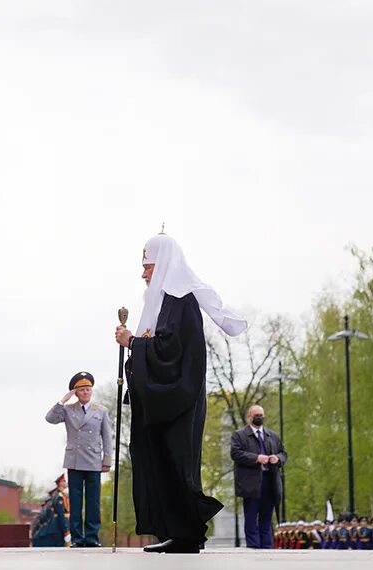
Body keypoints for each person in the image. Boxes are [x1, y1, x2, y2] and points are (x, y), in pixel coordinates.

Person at [113, 233, 247, 554]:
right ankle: (176, 531)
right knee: (160, 460)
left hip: (178, 400)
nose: (143, 274)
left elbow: (169, 350)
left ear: (163, 266)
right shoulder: (163, 302)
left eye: (147, 266)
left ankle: (186, 533)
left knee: (177, 462)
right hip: (164, 401)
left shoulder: (179, 301)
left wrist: (132, 342)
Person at [45, 371, 113, 547]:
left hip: (93, 460)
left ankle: (91, 537)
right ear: (76, 392)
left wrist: (107, 461)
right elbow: (50, 418)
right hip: (74, 460)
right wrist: (63, 400)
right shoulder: (68, 410)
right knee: (75, 502)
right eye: (82, 389)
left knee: (93, 502)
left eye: (88, 389)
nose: (85, 392)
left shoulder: (101, 411)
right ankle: (77, 538)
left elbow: (107, 437)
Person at [230, 404, 287, 549]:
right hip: (251, 482)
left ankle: (267, 549)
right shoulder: (239, 435)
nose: (259, 417)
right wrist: (256, 458)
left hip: (270, 480)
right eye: (256, 415)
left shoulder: (272, 436)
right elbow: (235, 453)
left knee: (266, 518)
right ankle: (254, 548)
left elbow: (283, 453)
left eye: (261, 415)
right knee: (251, 517)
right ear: (250, 417)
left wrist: (277, 458)